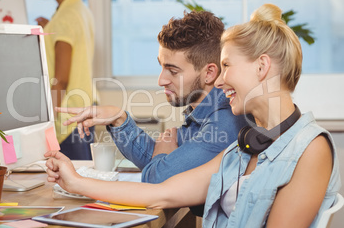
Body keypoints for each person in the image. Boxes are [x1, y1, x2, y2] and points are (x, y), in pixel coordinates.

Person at [45, 3, 341, 228]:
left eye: (227, 67)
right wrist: (77, 181)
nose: (221, 80)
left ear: (262, 67)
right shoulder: (247, 144)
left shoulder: (310, 148)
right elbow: (160, 192)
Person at [56, 11, 247, 185]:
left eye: (173, 71)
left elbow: (157, 177)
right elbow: (162, 163)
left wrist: (163, 153)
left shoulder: (223, 123)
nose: (161, 80)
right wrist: (119, 119)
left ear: (209, 73)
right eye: (161, 67)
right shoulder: (204, 111)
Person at [36, 0, 95, 160]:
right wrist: (50, 27)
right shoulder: (79, 9)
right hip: (84, 106)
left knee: (70, 183)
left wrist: (48, 125)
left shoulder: (64, 18)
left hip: (67, 117)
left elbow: (60, 79)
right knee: (83, 176)